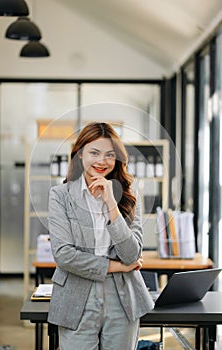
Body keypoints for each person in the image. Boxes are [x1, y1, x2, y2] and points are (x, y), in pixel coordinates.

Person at [47, 121, 154, 350]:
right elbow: (64, 256)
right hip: (75, 296)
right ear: (79, 154)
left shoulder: (129, 195)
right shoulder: (60, 196)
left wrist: (111, 204)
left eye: (109, 155)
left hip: (122, 298)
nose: (101, 161)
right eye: (94, 152)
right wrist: (118, 267)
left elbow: (132, 254)